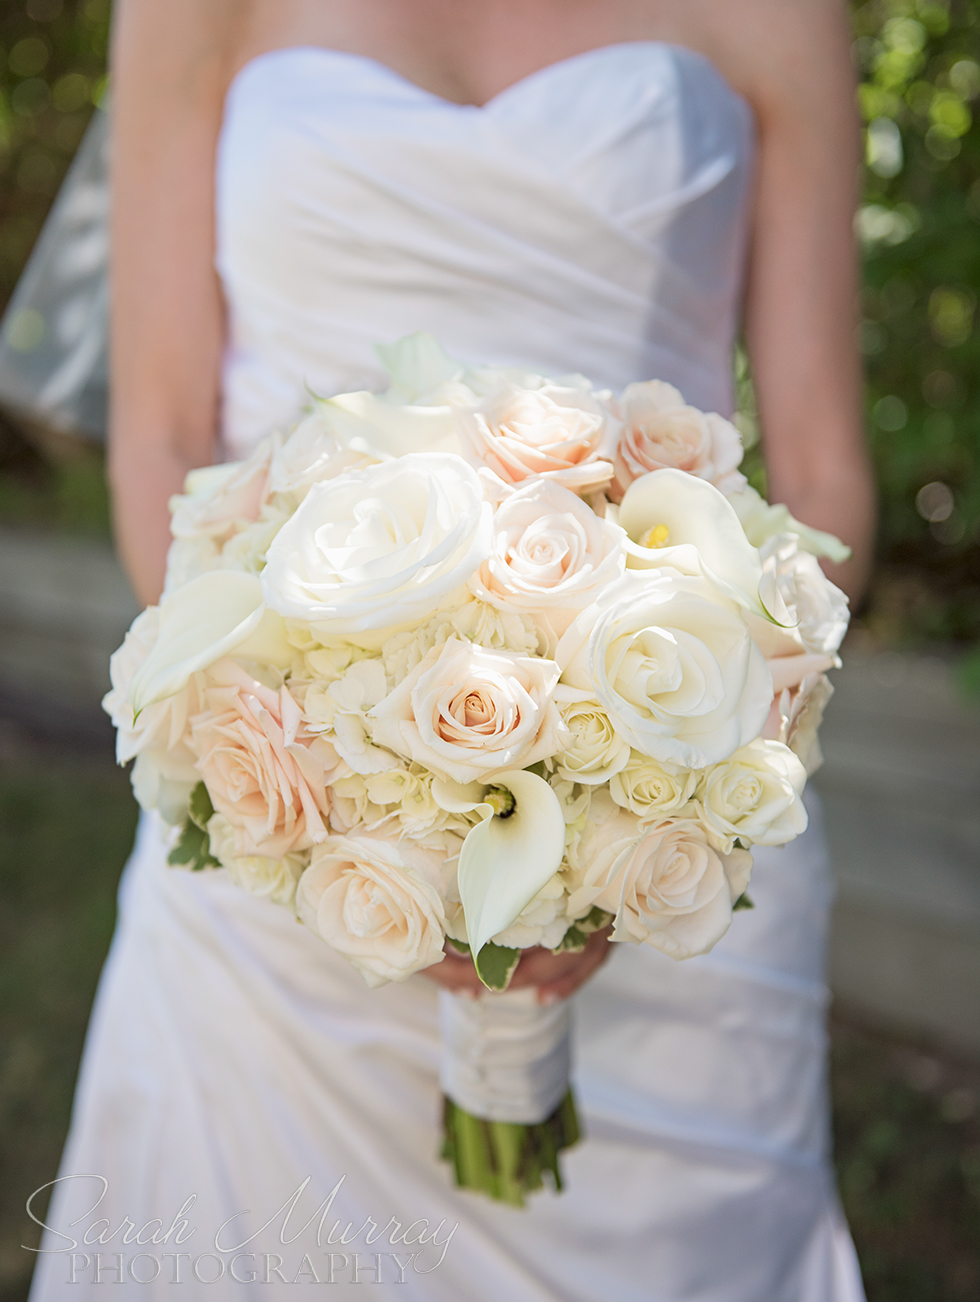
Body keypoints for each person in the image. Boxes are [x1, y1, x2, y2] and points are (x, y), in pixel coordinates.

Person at [28, 0, 875, 1297]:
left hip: (672, 815)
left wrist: (671, 788)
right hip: (279, 844)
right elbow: (160, 427)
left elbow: (822, 465)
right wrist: (308, 786)